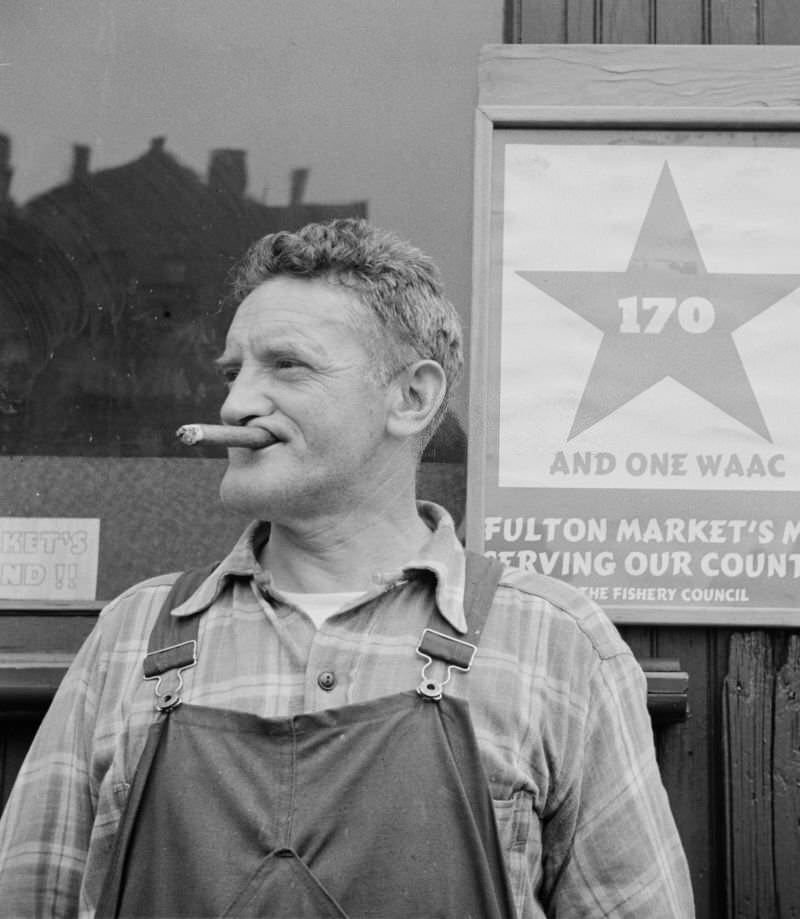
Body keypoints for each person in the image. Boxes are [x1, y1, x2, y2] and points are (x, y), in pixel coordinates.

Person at [0, 218, 694, 918]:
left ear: (411, 397)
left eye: (287, 365)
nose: (235, 402)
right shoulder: (132, 635)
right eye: (233, 371)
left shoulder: (555, 643)